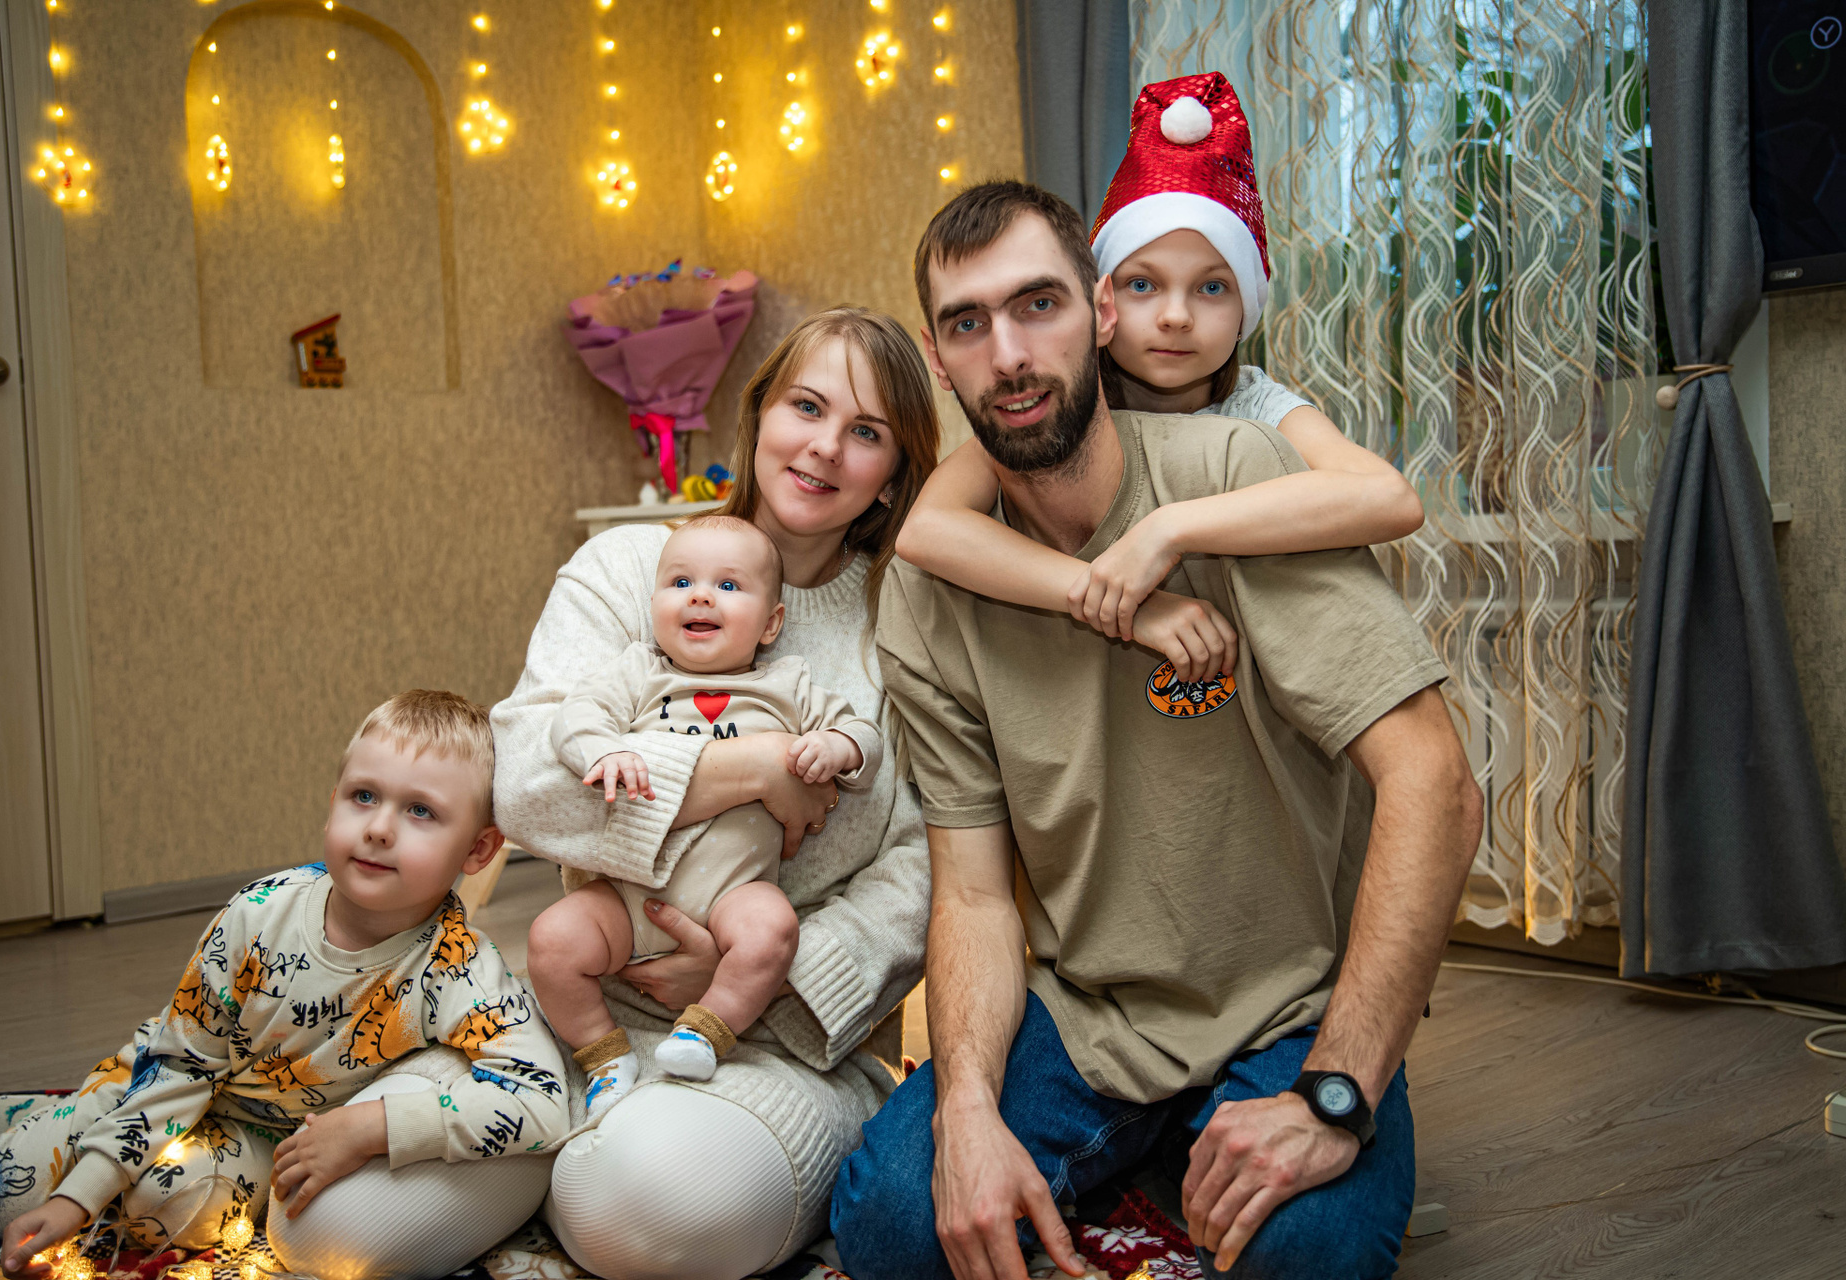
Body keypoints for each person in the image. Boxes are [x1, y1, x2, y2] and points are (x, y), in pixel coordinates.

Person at [830, 180, 1483, 1280]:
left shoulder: (1233, 478)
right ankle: (1147, 1159)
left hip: (1287, 1008)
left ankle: (1179, 1158)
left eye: (1038, 305)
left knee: (1311, 1257)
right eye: (968, 324)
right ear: (938, 360)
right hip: (1086, 1014)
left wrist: (1338, 1088)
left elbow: (1436, 782)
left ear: (1100, 313)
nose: (1009, 354)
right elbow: (975, 894)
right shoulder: (929, 588)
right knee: (897, 1223)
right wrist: (969, 1107)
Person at [492, 307, 938, 1280]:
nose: (825, 446)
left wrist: (757, 981)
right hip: (586, 1003)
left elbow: (925, 866)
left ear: (895, 474)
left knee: (645, 1207)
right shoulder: (632, 567)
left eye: (866, 431)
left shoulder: (908, 625)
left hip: (783, 1045)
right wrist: (758, 768)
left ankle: (575, 1175)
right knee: (353, 1221)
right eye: (806, 407)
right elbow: (524, 780)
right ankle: (576, 1136)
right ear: (760, 412)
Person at [0, 691, 568, 1279]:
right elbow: (181, 1067)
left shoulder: (459, 967)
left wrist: (377, 1125)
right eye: (363, 796)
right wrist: (79, 1196)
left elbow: (543, 1102)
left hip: (264, 1135)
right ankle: (19, 1114)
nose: (380, 828)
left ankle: (93, 1152)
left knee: (162, 1209)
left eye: (420, 811)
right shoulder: (257, 914)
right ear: (332, 805)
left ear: (478, 850)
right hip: (161, 1082)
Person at [895, 74, 1423, 684]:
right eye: (1143, 284)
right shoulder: (1069, 405)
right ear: (1104, 306)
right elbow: (929, 530)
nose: (1175, 316)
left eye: (1212, 287)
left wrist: (1169, 530)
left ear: (1246, 310)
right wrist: (1115, 598)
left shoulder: (1258, 407)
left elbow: (1390, 499)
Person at [535, 513, 880, 1119]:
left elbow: (864, 735)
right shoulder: (640, 673)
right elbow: (574, 718)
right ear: (654, 606)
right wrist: (605, 751)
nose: (699, 596)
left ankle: (703, 1034)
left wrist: (838, 746)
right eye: (680, 582)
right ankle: (603, 1056)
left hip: (733, 895)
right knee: (550, 940)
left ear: (771, 623)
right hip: (628, 896)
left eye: (727, 585)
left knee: (773, 929)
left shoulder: (788, 685)